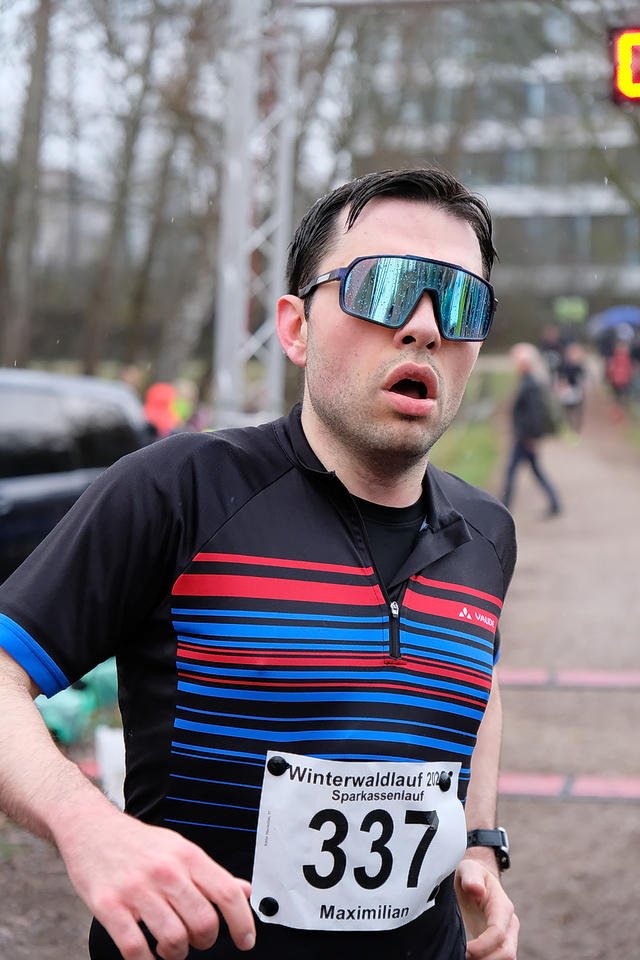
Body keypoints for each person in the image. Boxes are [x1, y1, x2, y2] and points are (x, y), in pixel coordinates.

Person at [0, 167, 519, 960]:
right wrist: (87, 826)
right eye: (383, 289)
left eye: (461, 302)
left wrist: (479, 844)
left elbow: (476, 686)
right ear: (295, 327)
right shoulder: (177, 491)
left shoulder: (488, 532)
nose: (423, 326)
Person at [501, 342, 561, 517]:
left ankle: (502, 507)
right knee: (533, 471)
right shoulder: (527, 380)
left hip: (525, 437)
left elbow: (535, 414)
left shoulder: (531, 383)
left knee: (513, 472)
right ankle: (554, 503)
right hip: (524, 436)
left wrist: (533, 437)